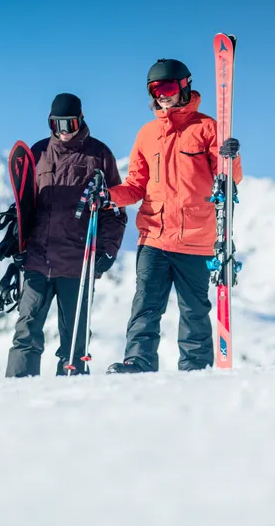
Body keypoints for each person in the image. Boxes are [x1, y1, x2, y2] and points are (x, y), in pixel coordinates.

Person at [104, 59, 242, 374]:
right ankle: (138, 361)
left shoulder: (207, 127)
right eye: (154, 89)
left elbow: (229, 179)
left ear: (183, 86)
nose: (161, 95)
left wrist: (231, 157)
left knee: (194, 310)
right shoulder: (147, 134)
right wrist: (107, 197)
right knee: (145, 305)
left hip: (196, 238)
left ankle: (195, 368)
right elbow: (136, 186)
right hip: (153, 235)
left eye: (166, 87)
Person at [5, 93, 127, 377]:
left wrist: (108, 249)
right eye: (57, 123)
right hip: (38, 259)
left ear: (81, 120)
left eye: (70, 123)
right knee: (26, 330)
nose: (64, 129)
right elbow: (25, 204)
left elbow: (115, 208)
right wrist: (17, 240)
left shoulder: (99, 154)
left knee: (74, 337)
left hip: (77, 263)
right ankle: (16, 391)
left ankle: (72, 393)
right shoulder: (37, 153)